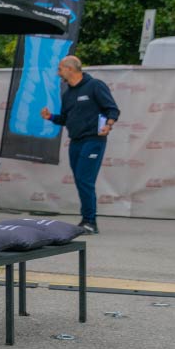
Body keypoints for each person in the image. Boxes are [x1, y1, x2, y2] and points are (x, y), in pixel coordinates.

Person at [41, 55, 119, 234]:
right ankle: (87, 220)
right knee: (80, 180)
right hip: (75, 142)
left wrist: (108, 125)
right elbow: (65, 119)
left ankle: (90, 222)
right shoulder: (67, 93)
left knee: (85, 180)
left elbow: (112, 109)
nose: (58, 73)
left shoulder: (95, 86)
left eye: (60, 69)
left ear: (70, 69)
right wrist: (50, 117)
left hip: (93, 140)